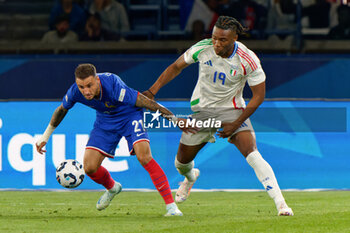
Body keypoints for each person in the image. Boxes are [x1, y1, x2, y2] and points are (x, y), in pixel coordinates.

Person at [143, 16, 294, 216]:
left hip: (233, 112)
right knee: (181, 163)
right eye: (214, 38)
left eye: (222, 40)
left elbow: (258, 97)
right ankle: (190, 178)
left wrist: (237, 123)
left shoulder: (248, 59)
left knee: (252, 153)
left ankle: (281, 204)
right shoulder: (203, 47)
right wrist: (152, 92)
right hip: (202, 112)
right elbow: (176, 67)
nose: (216, 43)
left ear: (234, 39)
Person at [36, 63, 195, 216]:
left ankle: (171, 207)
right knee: (90, 167)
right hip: (105, 121)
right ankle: (112, 188)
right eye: (82, 87)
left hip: (129, 115)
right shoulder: (74, 91)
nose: (86, 91)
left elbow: (146, 102)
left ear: (97, 80)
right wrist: (45, 136)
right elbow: (62, 110)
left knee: (144, 156)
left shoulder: (113, 85)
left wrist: (174, 119)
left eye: (90, 85)